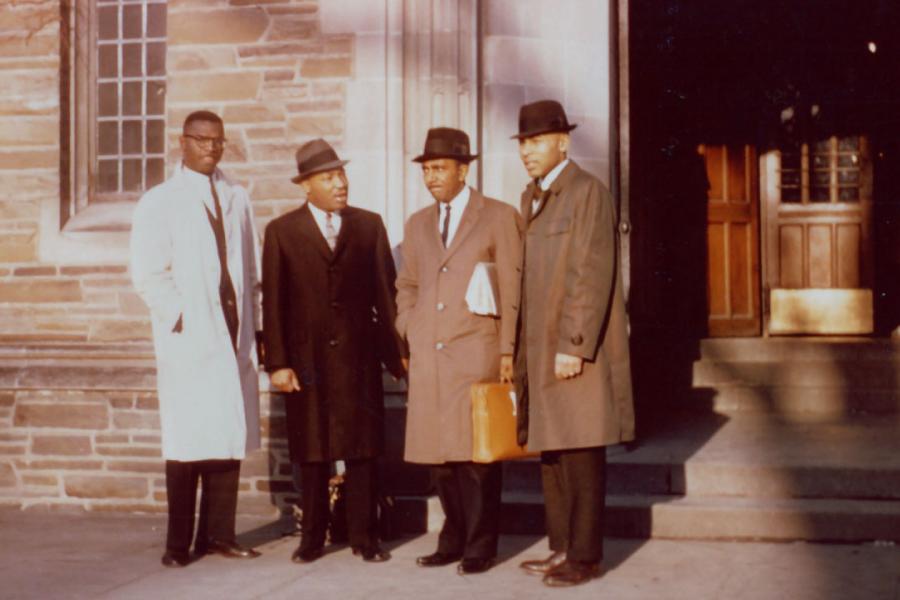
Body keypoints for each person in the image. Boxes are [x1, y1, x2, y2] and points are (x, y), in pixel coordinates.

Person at [261, 138, 405, 564]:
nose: (340, 184)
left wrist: (396, 355)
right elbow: (274, 304)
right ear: (306, 186)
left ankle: (366, 536)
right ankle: (312, 538)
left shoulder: (368, 225)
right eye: (328, 177)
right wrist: (279, 363)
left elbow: (387, 295)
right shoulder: (282, 233)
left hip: (358, 359)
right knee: (312, 451)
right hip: (308, 364)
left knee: (362, 448)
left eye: (341, 174)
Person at [130, 110, 262, 567]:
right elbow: (147, 273)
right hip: (190, 336)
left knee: (227, 435)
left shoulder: (237, 197)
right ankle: (177, 544)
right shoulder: (160, 201)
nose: (211, 148)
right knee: (187, 444)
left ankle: (219, 536)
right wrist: (181, 316)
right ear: (182, 143)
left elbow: (250, 266)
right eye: (202, 140)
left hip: (232, 332)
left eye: (218, 141)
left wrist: (253, 326)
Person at [512, 100, 634, 587]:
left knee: (581, 451)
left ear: (563, 141)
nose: (527, 151)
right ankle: (561, 546)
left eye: (537, 141)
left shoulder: (587, 192)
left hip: (571, 347)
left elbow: (592, 271)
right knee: (554, 452)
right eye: (523, 143)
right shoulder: (534, 196)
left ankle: (585, 556)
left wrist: (574, 344)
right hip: (540, 348)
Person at [396, 127, 522, 575]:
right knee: (439, 460)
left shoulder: (498, 216)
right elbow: (406, 283)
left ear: (463, 170)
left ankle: (480, 545)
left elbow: (511, 288)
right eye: (426, 169)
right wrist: (406, 324)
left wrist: (508, 351)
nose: (431, 177)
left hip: (476, 352)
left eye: (440, 168)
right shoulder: (416, 224)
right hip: (429, 354)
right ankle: (451, 538)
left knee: (476, 458)